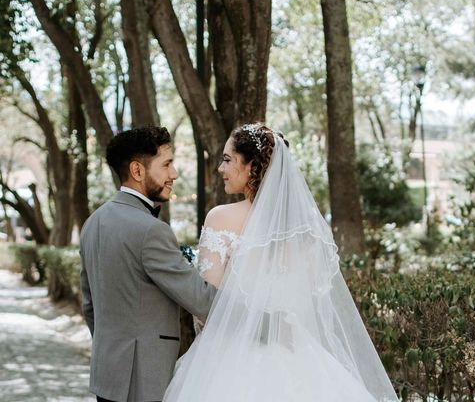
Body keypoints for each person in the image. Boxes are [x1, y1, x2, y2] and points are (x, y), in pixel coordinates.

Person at [164, 123, 399, 401]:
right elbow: (310, 305)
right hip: (297, 352)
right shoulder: (306, 232)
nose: (220, 169)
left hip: (231, 357)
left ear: (252, 166)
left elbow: (206, 305)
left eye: (227, 160)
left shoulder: (221, 218)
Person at [80, 126, 216, 402]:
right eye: (166, 164)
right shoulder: (151, 230)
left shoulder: (92, 223)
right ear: (137, 171)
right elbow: (201, 300)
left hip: (107, 375)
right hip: (145, 380)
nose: (174, 174)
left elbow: (89, 306)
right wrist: (258, 314)